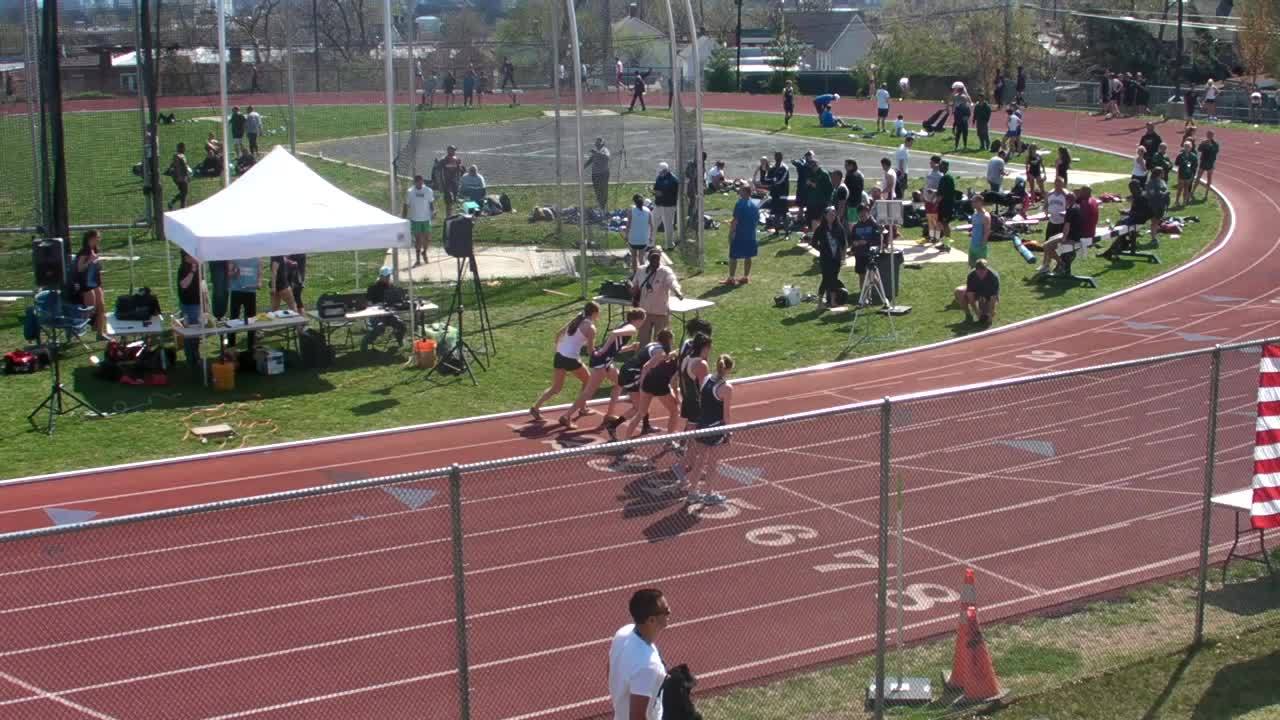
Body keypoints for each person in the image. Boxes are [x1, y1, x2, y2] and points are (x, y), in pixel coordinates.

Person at [563, 307, 645, 429]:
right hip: (601, 362)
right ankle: (566, 416)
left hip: (606, 362)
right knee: (589, 392)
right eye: (643, 320)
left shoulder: (624, 324)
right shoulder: (632, 329)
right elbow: (613, 334)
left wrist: (630, 348)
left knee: (619, 383)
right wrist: (603, 349)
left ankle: (609, 415)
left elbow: (615, 347)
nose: (643, 324)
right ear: (638, 320)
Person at [673, 353, 735, 506]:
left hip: (702, 425)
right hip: (715, 428)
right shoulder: (726, 388)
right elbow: (726, 414)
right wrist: (729, 432)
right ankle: (708, 493)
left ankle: (693, 493)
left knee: (700, 461)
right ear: (728, 369)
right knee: (713, 463)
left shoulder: (706, 379)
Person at [529, 302, 598, 423]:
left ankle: (535, 407)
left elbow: (558, 334)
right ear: (594, 313)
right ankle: (582, 408)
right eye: (598, 313)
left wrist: (558, 348)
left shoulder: (577, 318)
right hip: (571, 358)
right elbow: (590, 351)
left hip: (559, 355)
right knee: (588, 381)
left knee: (556, 388)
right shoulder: (591, 328)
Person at [608, 589, 670, 720]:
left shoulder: (623, 633)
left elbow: (610, 668)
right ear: (651, 620)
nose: (669, 612)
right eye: (665, 610)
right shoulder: (648, 665)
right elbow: (637, 717)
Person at [617, 328, 683, 441]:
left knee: (640, 413)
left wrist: (643, 386)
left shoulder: (656, 348)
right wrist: (677, 398)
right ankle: (669, 441)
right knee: (674, 411)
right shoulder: (677, 360)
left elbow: (661, 358)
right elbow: (673, 382)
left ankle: (625, 441)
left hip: (648, 381)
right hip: (657, 384)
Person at [632, 249, 683, 345]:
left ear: (660, 259)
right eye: (653, 258)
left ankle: (660, 359)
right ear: (648, 258)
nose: (655, 260)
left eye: (657, 258)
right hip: (644, 312)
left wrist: (677, 291)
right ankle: (642, 358)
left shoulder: (665, 271)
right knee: (642, 341)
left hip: (661, 312)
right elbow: (635, 285)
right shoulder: (641, 270)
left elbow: (672, 282)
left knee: (661, 342)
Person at [362, 266, 407, 351]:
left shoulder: (391, 287)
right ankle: (365, 341)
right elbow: (368, 303)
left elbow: (395, 299)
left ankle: (399, 340)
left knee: (401, 325)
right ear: (381, 276)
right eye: (386, 276)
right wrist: (377, 305)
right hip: (376, 315)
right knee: (380, 327)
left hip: (389, 314)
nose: (388, 278)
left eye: (389, 276)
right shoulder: (373, 288)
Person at [74, 230, 107, 339]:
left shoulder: (95, 250)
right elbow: (79, 268)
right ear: (91, 238)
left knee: (101, 308)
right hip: (86, 284)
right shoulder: (85, 251)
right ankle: (76, 330)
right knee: (90, 311)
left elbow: (97, 269)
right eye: (97, 237)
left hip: (95, 282)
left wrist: (102, 284)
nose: (99, 239)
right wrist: (89, 261)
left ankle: (100, 333)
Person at [813, 206, 847, 308]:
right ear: (825, 216)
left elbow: (844, 243)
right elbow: (813, 242)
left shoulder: (839, 227)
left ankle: (832, 301)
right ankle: (819, 302)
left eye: (834, 214)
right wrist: (821, 249)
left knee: (834, 279)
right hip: (825, 259)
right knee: (826, 279)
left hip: (835, 258)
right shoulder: (821, 228)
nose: (832, 216)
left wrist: (843, 257)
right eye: (830, 215)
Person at [176, 251, 203, 374]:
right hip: (188, 305)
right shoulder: (184, 269)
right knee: (189, 333)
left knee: (196, 332)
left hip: (197, 304)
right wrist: (192, 271)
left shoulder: (197, 267)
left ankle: (196, 355)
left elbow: (202, 286)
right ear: (186, 257)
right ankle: (190, 358)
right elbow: (184, 285)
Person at [727, 185, 759, 285]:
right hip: (751, 234)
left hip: (740, 234)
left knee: (733, 256)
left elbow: (735, 220)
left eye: (740, 190)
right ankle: (745, 277)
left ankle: (731, 278)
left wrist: (731, 233)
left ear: (745, 192)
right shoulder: (754, 205)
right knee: (748, 256)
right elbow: (756, 219)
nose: (739, 191)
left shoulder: (739, 203)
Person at [226, 256, 260, 351]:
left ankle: (251, 347)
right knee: (233, 319)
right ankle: (231, 346)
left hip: (250, 292)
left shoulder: (257, 258)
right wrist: (234, 273)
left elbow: (259, 275)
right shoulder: (235, 256)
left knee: (251, 319)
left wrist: (258, 283)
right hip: (236, 291)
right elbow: (228, 274)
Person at [954, 258, 999, 326]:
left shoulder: (993, 277)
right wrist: (977, 312)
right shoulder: (971, 275)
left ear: (987, 269)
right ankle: (968, 315)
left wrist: (991, 313)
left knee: (987, 314)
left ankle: (986, 311)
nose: (981, 274)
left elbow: (993, 298)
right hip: (977, 292)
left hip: (988, 294)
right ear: (976, 270)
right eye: (979, 272)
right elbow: (970, 296)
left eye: (984, 271)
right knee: (959, 291)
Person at [404, 174, 435, 265]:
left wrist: (433, 211)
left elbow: (431, 203)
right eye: (418, 183)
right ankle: (417, 259)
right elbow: (406, 205)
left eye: (421, 182)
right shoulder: (410, 192)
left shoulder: (428, 191)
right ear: (415, 182)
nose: (420, 185)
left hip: (426, 218)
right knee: (418, 239)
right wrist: (404, 217)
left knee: (427, 238)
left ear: (422, 181)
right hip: (415, 219)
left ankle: (424, 252)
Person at [653, 162, 679, 249]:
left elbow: (668, 193)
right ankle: (650, 243)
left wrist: (659, 193)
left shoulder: (673, 180)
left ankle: (669, 245)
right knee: (652, 223)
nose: (660, 173)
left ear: (666, 170)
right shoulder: (659, 177)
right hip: (658, 205)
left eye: (661, 172)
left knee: (668, 226)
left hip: (668, 206)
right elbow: (656, 189)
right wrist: (653, 191)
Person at [626, 194, 654, 271]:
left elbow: (628, 225)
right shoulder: (648, 211)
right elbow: (651, 225)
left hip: (633, 239)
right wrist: (651, 237)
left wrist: (626, 236)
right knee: (642, 258)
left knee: (634, 257)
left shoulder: (631, 210)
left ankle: (635, 273)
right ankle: (643, 273)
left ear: (634, 202)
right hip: (643, 239)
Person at [766, 152, 790, 230]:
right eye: (776, 156)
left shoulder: (784, 168)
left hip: (782, 193)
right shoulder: (772, 167)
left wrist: (773, 181)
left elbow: (781, 180)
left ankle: (786, 231)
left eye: (779, 157)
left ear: (782, 158)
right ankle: (777, 230)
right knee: (776, 213)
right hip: (774, 193)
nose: (777, 158)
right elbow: (767, 178)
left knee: (784, 213)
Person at [585, 137, 611, 210]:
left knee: (603, 190)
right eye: (596, 143)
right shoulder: (597, 151)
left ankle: (603, 206)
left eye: (598, 143)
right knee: (597, 190)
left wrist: (596, 153)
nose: (596, 144)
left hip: (603, 174)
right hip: (595, 174)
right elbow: (591, 159)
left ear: (602, 143)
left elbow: (606, 157)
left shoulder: (605, 150)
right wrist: (582, 167)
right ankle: (600, 204)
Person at [935, 160, 956, 251]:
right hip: (948, 203)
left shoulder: (945, 178)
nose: (939, 167)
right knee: (943, 224)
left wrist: (936, 203)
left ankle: (947, 245)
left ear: (945, 167)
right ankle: (945, 243)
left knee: (945, 224)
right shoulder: (949, 177)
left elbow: (941, 194)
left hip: (945, 204)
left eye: (940, 165)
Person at [967, 193, 991, 269]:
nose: (972, 203)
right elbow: (974, 227)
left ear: (980, 202)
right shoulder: (974, 214)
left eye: (974, 201)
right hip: (973, 243)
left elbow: (987, 231)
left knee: (980, 266)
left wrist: (983, 243)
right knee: (972, 264)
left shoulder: (985, 216)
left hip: (980, 245)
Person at [923, 155, 943, 243]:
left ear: (937, 164)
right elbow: (926, 185)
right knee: (929, 219)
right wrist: (923, 195)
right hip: (927, 199)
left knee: (936, 220)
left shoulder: (940, 175)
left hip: (935, 200)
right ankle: (931, 236)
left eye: (932, 162)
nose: (930, 164)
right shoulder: (928, 173)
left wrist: (934, 192)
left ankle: (937, 237)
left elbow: (941, 189)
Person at [1195, 129, 1219, 201]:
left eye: (1211, 135)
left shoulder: (1215, 144)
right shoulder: (1204, 142)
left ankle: (1206, 194)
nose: (1209, 136)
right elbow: (1199, 149)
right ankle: (1193, 191)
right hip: (1203, 162)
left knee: (1209, 179)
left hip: (1210, 163)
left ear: (1213, 136)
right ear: (1206, 135)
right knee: (1198, 177)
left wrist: (1210, 145)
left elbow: (1215, 152)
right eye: (1208, 135)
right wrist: (1203, 144)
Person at [167, 142, 191, 210]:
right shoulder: (181, 156)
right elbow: (184, 166)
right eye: (184, 147)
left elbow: (171, 166)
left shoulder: (175, 156)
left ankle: (182, 208)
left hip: (176, 178)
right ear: (182, 148)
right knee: (184, 192)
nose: (185, 149)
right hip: (182, 178)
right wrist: (188, 175)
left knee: (183, 193)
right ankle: (172, 202)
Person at [1174, 139, 1198, 207]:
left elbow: (1195, 166)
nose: (1187, 148)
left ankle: (1184, 201)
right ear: (1184, 147)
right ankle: (1177, 201)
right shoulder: (1180, 155)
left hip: (1189, 175)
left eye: (1188, 147)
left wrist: (1192, 175)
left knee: (1186, 188)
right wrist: (1183, 163)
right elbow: (1176, 163)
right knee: (1180, 188)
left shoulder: (1193, 156)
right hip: (1181, 174)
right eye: (1185, 146)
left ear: (1191, 147)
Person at [441, 145, 463, 215]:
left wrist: (459, 165)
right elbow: (439, 170)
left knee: (454, 200)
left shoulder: (456, 159)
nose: (454, 152)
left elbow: (459, 171)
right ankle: (448, 215)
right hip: (447, 183)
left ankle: (452, 215)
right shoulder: (444, 160)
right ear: (449, 151)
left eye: (454, 150)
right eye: (453, 150)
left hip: (454, 183)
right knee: (448, 201)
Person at [893, 136, 912, 200]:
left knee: (901, 188)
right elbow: (901, 163)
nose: (911, 145)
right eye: (911, 143)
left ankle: (900, 200)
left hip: (900, 171)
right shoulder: (903, 150)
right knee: (901, 188)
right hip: (901, 172)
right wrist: (902, 174)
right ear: (907, 141)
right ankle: (900, 201)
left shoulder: (903, 148)